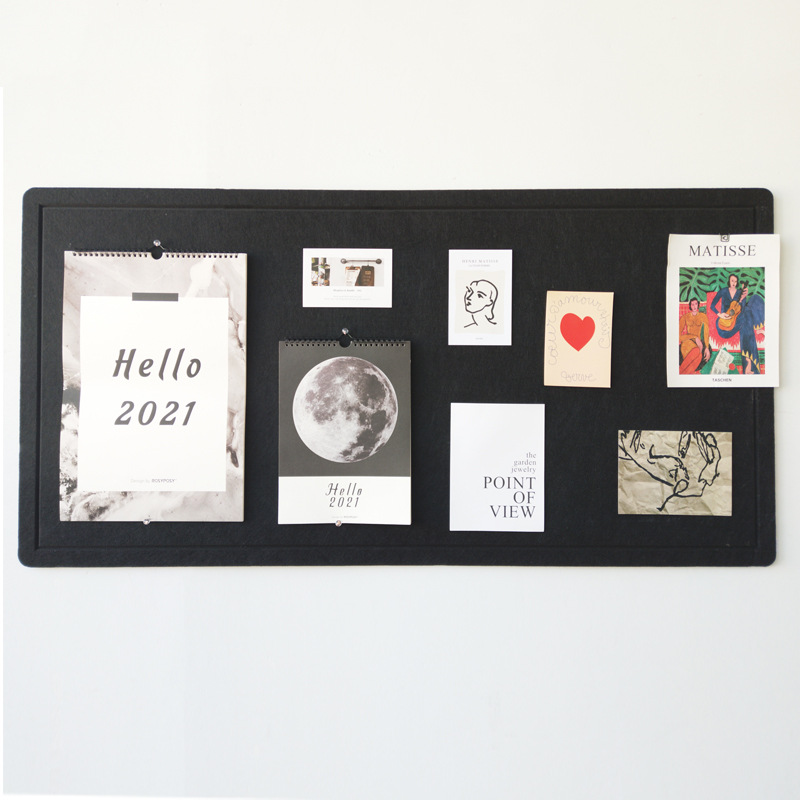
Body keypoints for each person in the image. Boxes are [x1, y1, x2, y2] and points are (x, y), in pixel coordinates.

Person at [710, 273, 765, 374]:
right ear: (729, 281)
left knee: (747, 315)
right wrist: (720, 314)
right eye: (732, 281)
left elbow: (741, 309)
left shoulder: (740, 292)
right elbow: (712, 305)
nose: (734, 283)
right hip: (724, 323)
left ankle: (748, 364)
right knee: (746, 319)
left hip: (737, 320)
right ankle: (750, 363)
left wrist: (743, 298)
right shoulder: (724, 291)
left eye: (735, 281)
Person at [679, 298, 711, 374]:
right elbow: (678, 335)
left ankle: (682, 372)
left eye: (696, 304)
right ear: (690, 306)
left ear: (698, 305)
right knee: (696, 351)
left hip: (699, 343)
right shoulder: (685, 317)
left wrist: (706, 347)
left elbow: (706, 333)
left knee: (700, 355)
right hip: (687, 342)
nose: (694, 306)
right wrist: (694, 337)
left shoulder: (703, 316)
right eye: (692, 304)